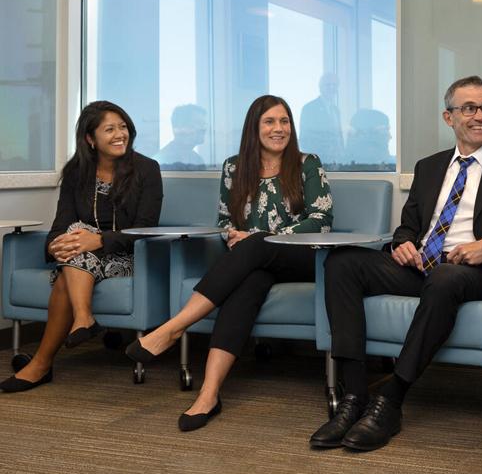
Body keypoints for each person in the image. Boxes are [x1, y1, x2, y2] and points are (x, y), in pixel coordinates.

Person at [307, 75, 482, 452]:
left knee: (447, 277)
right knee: (341, 263)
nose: (480, 116)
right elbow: (409, 226)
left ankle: (392, 399)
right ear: (449, 118)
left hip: (472, 272)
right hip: (420, 267)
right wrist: (402, 244)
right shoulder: (430, 166)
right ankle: (354, 398)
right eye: (469, 108)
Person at [124, 95, 333, 431]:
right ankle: (208, 394)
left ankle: (173, 328)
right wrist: (233, 235)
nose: (279, 129)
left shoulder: (308, 163)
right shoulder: (234, 167)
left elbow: (322, 220)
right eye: (270, 122)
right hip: (254, 260)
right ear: (254, 127)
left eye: (284, 122)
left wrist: (257, 236)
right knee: (247, 285)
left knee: (256, 244)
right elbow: (224, 220)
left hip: (303, 256)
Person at [1, 101, 163, 393]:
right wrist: (55, 248)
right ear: (91, 139)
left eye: (123, 127)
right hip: (81, 260)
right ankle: (82, 318)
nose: (120, 134)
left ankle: (41, 364)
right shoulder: (76, 172)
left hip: (127, 257)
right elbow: (59, 226)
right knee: (73, 238)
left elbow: (145, 228)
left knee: (75, 246)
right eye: (109, 129)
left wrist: (98, 240)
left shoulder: (147, 169)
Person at [300, 73, 344, 168]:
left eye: (334, 85)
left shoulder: (336, 110)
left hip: (336, 162)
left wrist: (342, 156)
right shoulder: (309, 108)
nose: (331, 87)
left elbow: (338, 137)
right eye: (328, 85)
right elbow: (305, 139)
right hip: (318, 162)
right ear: (320, 87)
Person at [154, 104, 208, 169]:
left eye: (204, 124)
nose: (204, 129)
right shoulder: (162, 161)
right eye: (199, 123)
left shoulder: (198, 160)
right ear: (181, 127)